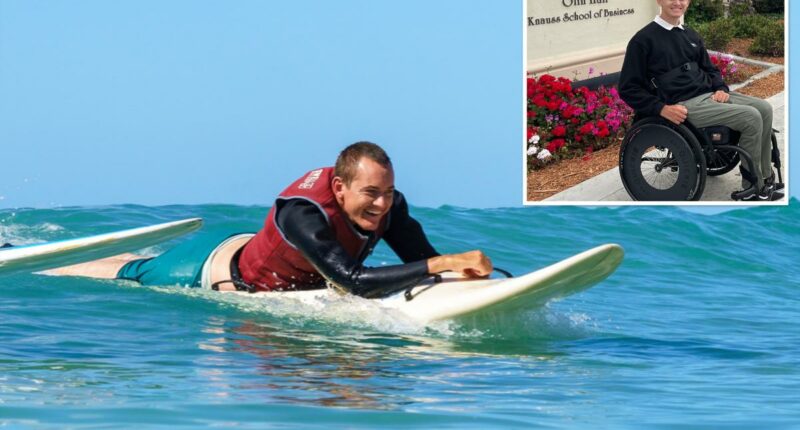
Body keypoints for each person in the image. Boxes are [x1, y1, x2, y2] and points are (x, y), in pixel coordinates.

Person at [51, 142, 493, 298]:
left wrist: (455, 273)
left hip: (254, 247)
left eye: (388, 191)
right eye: (370, 193)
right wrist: (439, 266)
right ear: (340, 188)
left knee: (130, 262)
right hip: (214, 272)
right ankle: (20, 255)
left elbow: (426, 259)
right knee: (128, 273)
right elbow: (352, 280)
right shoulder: (304, 213)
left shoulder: (389, 206)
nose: (381, 204)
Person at [619, 0, 783, 201]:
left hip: (708, 96)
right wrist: (661, 109)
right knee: (751, 117)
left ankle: (765, 178)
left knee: (764, 108)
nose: (678, 3)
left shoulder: (690, 34)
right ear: (659, 0)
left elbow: (710, 69)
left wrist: (721, 88)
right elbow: (628, 88)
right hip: (683, 105)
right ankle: (752, 187)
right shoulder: (643, 40)